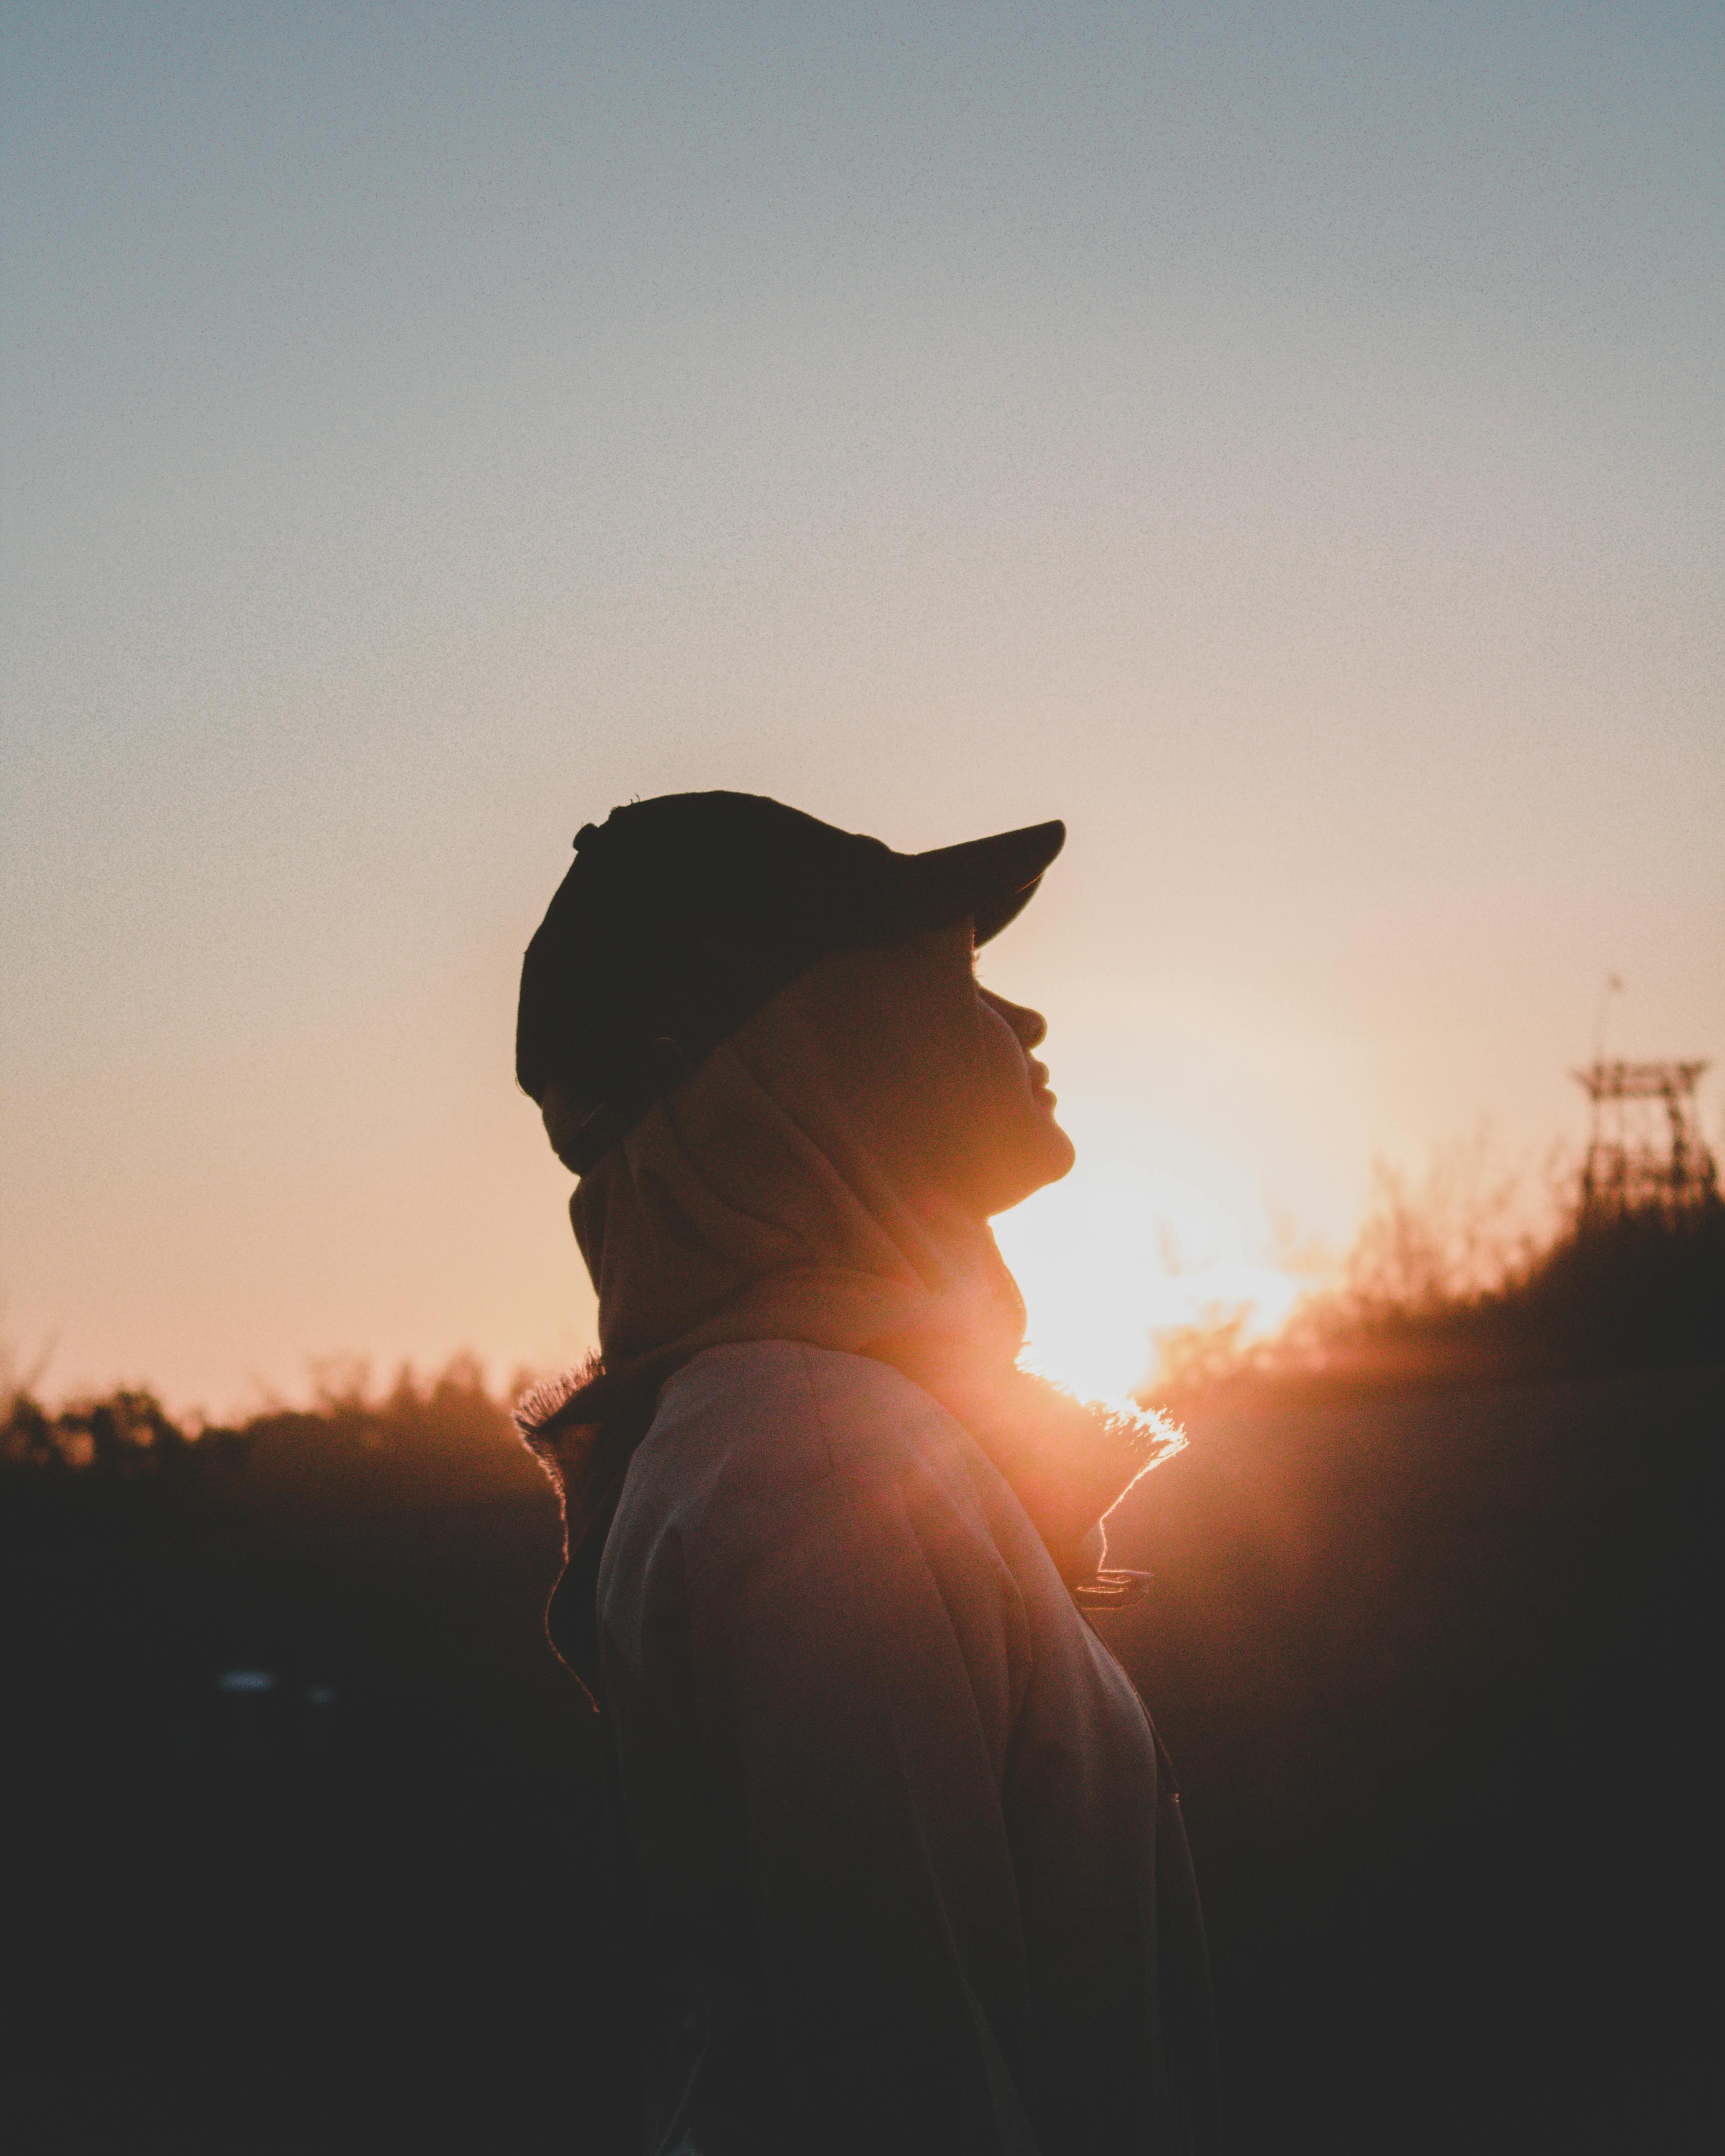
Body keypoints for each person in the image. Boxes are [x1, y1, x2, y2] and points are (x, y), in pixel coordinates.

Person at [514, 792, 1219, 2156]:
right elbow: (904, 2092)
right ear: (798, 1051)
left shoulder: (814, 1433)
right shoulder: (816, 1470)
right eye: (955, 975)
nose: (1026, 1025)